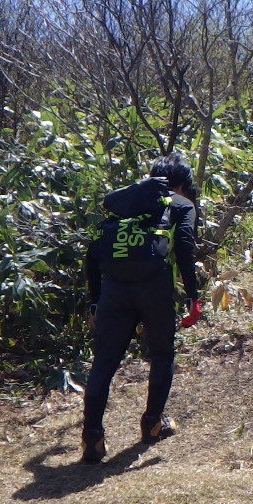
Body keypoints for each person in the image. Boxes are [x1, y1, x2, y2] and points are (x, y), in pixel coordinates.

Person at [81, 153, 203, 464]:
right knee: (162, 353)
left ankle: (92, 437)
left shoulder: (126, 204)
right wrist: (193, 294)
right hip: (155, 287)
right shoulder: (180, 204)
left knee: (104, 363)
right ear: (181, 184)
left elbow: (92, 254)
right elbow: (186, 248)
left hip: (113, 288)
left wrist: (95, 301)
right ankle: (152, 424)